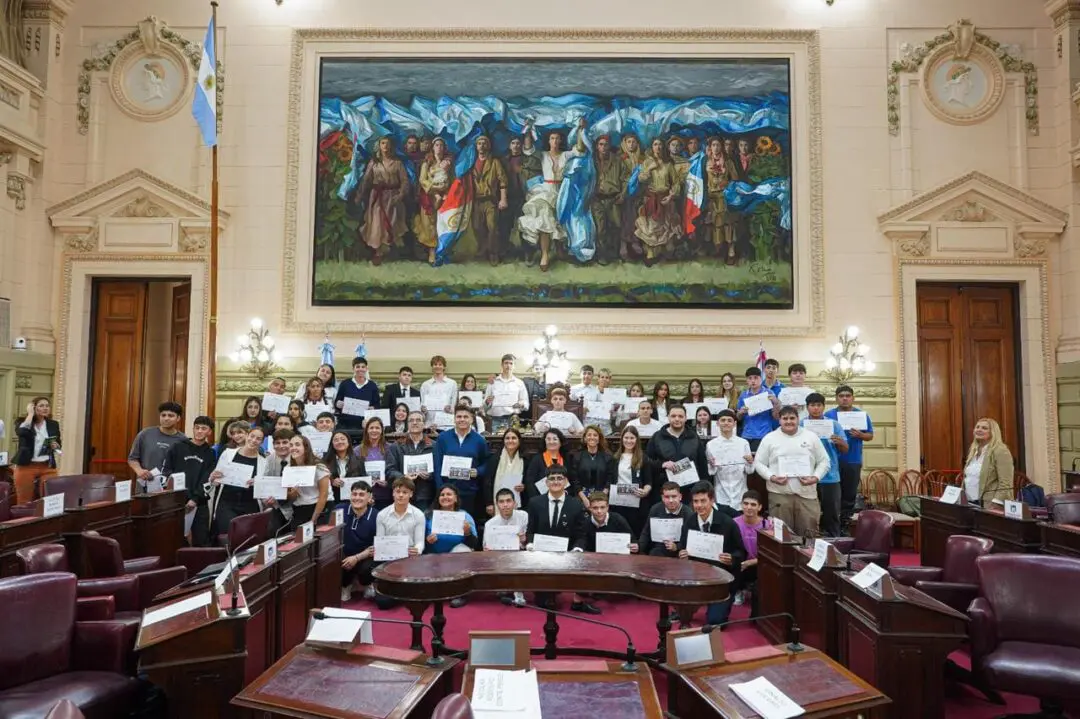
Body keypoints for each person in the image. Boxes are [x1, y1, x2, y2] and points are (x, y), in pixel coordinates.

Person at [753, 405, 830, 537]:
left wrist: (815, 477)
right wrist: (772, 477)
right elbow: (758, 463)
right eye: (785, 418)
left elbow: (824, 461)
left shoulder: (811, 437)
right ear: (779, 420)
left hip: (807, 495)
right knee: (781, 537)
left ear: (798, 419)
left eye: (792, 418)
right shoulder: (769, 438)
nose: (789, 421)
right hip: (779, 495)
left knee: (809, 536)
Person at [678, 481, 746, 626]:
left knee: (715, 622)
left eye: (703, 501)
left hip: (721, 579)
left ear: (712, 500)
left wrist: (732, 558)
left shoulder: (728, 523)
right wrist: (682, 554)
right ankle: (694, 603)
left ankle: (718, 605)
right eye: (696, 501)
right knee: (682, 613)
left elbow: (741, 552)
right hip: (696, 576)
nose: (699, 505)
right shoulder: (689, 522)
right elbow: (682, 547)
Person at [525, 465, 586, 610]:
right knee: (543, 602)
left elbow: (581, 534)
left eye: (560, 478)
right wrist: (530, 544)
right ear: (546, 482)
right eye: (552, 479)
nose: (556, 482)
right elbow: (531, 530)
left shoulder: (576, 504)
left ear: (566, 482)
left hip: (567, 555)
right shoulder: (535, 502)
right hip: (541, 556)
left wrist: (577, 549)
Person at [572, 491, 635, 615]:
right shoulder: (585, 522)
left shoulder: (618, 519)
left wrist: (634, 546)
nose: (599, 511)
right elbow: (581, 539)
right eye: (595, 508)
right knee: (581, 561)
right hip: (594, 559)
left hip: (616, 559)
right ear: (590, 508)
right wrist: (577, 549)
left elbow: (632, 539)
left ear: (607, 507)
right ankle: (578, 601)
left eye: (602, 507)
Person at [433, 405, 490, 530]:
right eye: (459, 416)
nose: (462, 419)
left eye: (465, 417)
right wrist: (440, 489)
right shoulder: (443, 438)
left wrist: (478, 471)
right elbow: (437, 465)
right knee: (446, 526)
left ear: (472, 419)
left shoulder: (479, 440)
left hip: (469, 491)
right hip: (446, 492)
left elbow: (487, 463)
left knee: (466, 527)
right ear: (454, 419)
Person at [825, 385, 875, 529]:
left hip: (853, 460)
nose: (845, 399)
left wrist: (861, 435)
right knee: (831, 496)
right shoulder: (828, 415)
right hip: (832, 461)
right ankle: (829, 527)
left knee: (849, 495)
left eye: (847, 396)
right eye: (841, 396)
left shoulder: (862, 415)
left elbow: (870, 435)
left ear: (853, 398)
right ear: (836, 398)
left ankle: (844, 526)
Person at [163, 415, 217, 547]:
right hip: (177, 501)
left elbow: (208, 479)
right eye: (197, 428)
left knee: (201, 540)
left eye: (203, 428)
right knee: (174, 540)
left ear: (209, 432)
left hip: (199, 503)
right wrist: (177, 495)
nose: (199, 431)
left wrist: (195, 499)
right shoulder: (177, 447)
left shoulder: (210, 453)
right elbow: (167, 471)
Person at [373, 477, 426, 609]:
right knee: (383, 603)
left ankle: (402, 589)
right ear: (393, 493)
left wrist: (417, 550)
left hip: (410, 558)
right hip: (389, 560)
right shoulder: (382, 515)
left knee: (419, 598)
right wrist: (379, 549)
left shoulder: (419, 515)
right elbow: (380, 539)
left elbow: (420, 542)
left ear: (411, 494)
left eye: (405, 492)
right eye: (398, 491)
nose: (401, 495)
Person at [357, 136, 409, 265]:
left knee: (392, 223)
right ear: (379, 145)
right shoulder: (374, 163)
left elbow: (404, 181)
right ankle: (378, 252)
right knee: (376, 222)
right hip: (377, 197)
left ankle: (390, 250)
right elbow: (366, 180)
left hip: (392, 197)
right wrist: (360, 194)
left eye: (387, 143)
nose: (385, 146)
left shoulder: (397, 163)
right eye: (383, 143)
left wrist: (400, 195)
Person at [424, 485, 479, 607]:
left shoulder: (465, 516)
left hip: (457, 559)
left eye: (449, 494)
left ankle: (460, 593)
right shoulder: (428, 515)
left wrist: (467, 533)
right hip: (434, 558)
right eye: (442, 495)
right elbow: (421, 542)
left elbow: (474, 544)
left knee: (462, 550)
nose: (445, 497)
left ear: (456, 498)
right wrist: (428, 541)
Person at [208, 424, 265, 538]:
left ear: (262, 442)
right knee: (227, 536)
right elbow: (215, 480)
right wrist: (213, 478)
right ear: (247, 435)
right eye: (252, 436)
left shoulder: (264, 462)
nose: (254, 440)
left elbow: (264, 489)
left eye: (258, 439)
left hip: (250, 505)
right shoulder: (228, 453)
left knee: (247, 538)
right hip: (226, 502)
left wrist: (258, 483)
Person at [646, 404, 708, 504]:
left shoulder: (694, 437)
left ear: (686, 418)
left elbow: (702, 464)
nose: (677, 419)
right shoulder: (657, 437)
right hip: (665, 492)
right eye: (673, 416)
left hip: (690, 491)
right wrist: (662, 464)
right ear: (668, 417)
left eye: (680, 416)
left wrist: (704, 488)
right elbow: (647, 461)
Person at [803, 393, 846, 537]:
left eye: (818, 405)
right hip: (807, 476)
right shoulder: (801, 425)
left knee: (831, 513)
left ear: (823, 406)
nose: (816, 408)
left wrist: (840, 442)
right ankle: (810, 543)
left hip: (830, 476)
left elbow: (845, 449)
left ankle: (835, 541)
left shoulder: (834, 425)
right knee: (809, 513)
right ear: (807, 407)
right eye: (812, 405)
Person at [129, 401, 187, 492]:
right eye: (163, 415)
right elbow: (132, 458)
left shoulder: (183, 440)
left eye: (170, 416)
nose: (166, 418)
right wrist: (139, 471)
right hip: (145, 486)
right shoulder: (145, 434)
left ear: (178, 418)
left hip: (169, 490)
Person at [607, 425, 654, 535]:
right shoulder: (615, 458)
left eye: (632, 438)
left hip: (636, 502)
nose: (629, 441)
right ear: (622, 439)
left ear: (636, 439)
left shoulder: (643, 458)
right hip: (618, 502)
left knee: (634, 530)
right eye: (626, 438)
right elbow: (610, 479)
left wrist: (645, 491)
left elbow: (648, 482)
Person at [485, 487, 528, 607]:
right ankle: (502, 585)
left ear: (514, 503)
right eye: (501, 502)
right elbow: (486, 548)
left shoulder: (524, 516)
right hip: (499, 557)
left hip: (520, 554)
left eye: (508, 501)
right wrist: (487, 550)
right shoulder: (490, 524)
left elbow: (529, 541)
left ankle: (518, 594)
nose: (505, 505)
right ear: (497, 504)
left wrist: (524, 540)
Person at [12, 397, 61, 504]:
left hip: (47, 466)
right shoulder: (22, 422)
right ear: (34, 408)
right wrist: (30, 414)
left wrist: (56, 446)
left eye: (47, 406)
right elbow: (22, 432)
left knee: (51, 499)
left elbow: (58, 444)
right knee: (24, 500)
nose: (45, 408)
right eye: (41, 406)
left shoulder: (53, 424)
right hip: (26, 466)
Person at [705, 409, 754, 515]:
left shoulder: (743, 443)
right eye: (723, 420)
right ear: (717, 423)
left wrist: (750, 462)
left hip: (740, 493)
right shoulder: (711, 444)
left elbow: (749, 471)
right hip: (721, 495)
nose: (726, 423)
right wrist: (712, 465)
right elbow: (711, 472)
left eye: (729, 420)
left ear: (734, 423)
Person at [386, 411, 436, 511]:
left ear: (424, 424)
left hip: (425, 495)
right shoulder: (396, 446)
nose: (414, 423)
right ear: (407, 424)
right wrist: (403, 477)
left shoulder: (434, 446)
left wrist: (430, 475)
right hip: (402, 494)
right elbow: (390, 471)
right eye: (411, 420)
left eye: (418, 420)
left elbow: (439, 469)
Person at [733, 490, 772, 613]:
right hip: (740, 563)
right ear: (741, 505)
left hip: (759, 563)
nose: (749, 507)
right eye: (746, 504)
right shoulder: (734, 523)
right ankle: (738, 590)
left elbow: (771, 554)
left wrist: (751, 562)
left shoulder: (768, 525)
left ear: (759, 507)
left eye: (753, 504)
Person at [339, 480, 377, 603]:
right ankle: (345, 585)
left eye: (361, 494)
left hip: (366, 556)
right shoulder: (339, 510)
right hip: (344, 553)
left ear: (369, 497)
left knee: (367, 568)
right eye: (354, 494)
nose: (357, 498)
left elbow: (376, 547)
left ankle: (367, 584)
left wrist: (356, 558)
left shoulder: (377, 516)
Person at [635, 481, 694, 558]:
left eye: (674, 496)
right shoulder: (655, 509)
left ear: (680, 497)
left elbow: (690, 539)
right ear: (662, 498)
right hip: (659, 549)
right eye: (667, 497)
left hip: (678, 551)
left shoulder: (688, 513)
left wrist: (677, 547)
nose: (671, 500)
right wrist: (639, 546)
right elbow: (646, 532)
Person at [963, 418, 1014, 505]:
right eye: (977, 427)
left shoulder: (1001, 450)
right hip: (969, 502)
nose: (979, 430)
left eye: (984, 428)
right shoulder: (973, 450)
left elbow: (1006, 483)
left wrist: (995, 503)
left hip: (989, 504)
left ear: (993, 432)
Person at [287, 433, 331, 527]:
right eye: (291, 445)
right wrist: (293, 493)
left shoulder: (319, 466)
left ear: (306, 448)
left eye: (297, 445)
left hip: (319, 508)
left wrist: (314, 518)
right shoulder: (289, 468)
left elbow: (324, 494)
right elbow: (292, 497)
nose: (293, 448)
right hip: (300, 508)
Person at [261, 428, 297, 535]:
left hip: (297, 506)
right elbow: (264, 483)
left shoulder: (298, 458)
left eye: (285, 442)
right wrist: (266, 499)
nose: (281, 446)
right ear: (273, 445)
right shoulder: (269, 459)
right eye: (277, 443)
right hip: (276, 506)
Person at [483, 427, 527, 515]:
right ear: (503, 441)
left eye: (514, 438)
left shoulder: (525, 460)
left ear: (519, 441)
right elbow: (487, 482)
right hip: (497, 501)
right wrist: (489, 503)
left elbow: (527, 481)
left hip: (518, 502)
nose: (510, 441)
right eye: (507, 438)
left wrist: (524, 486)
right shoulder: (495, 459)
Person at [737, 367, 780, 451]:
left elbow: (776, 417)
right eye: (750, 378)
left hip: (765, 434)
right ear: (747, 380)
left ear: (761, 378)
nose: (753, 381)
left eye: (756, 378)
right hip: (747, 435)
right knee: (747, 458)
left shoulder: (769, 393)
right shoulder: (743, 395)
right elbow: (738, 418)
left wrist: (776, 403)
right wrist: (740, 412)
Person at [484, 354, 529, 432]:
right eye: (506, 363)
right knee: (496, 440)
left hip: (513, 419)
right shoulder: (493, 382)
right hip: (495, 420)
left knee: (513, 439)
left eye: (511, 363)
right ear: (502, 365)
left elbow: (526, 403)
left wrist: (521, 404)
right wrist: (487, 402)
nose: (508, 365)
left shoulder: (519, 383)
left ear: (514, 366)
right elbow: (484, 403)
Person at [335, 356, 381, 431]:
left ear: (366, 369)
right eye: (357, 367)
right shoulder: (345, 384)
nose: (360, 369)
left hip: (365, 425)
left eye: (363, 367)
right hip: (345, 424)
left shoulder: (372, 385)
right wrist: (338, 404)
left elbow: (377, 405)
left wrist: (373, 408)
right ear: (353, 369)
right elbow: (337, 403)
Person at [571, 425, 613, 505]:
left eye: (595, 435)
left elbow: (610, 478)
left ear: (599, 438)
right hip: (582, 497)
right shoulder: (577, 456)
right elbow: (574, 479)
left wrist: (602, 497)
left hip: (602, 496)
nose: (592, 437)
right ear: (585, 438)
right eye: (589, 435)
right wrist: (584, 498)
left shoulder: (607, 457)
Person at [355, 416, 391, 510]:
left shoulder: (390, 448)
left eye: (377, 428)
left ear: (382, 430)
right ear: (366, 430)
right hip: (365, 495)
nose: (374, 430)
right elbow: (355, 472)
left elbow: (393, 469)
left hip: (385, 494)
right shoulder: (358, 450)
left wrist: (388, 482)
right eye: (371, 428)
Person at [524, 428, 567, 502]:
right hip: (541, 499)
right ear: (545, 442)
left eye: (555, 439)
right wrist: (536, 500)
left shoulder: (566, 459)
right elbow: (530, 482)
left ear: (560, 442)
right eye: (548, 439)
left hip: (562, 499)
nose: (551, 442)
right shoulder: (537, 459)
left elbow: (571, 480)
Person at [323, 430, 364, 504]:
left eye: (343, 439)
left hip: (354, 501)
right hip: (332, 501)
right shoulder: (325, 461)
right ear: (332, 444)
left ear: (348, 442)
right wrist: (332, 481)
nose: (340, 442)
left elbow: (364, 481)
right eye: (336, 440)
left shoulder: (359, 461)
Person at [420, 355, 458, 426]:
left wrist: (450, 409)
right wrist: (423, 409)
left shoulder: (452, 383)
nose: (437, 366)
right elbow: (422, 403)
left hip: (447, 422)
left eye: (440, 364)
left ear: (444, 367)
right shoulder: (425, 384)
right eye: (435, 364)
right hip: (429, 422)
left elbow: (453, 404)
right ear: (432, 367)